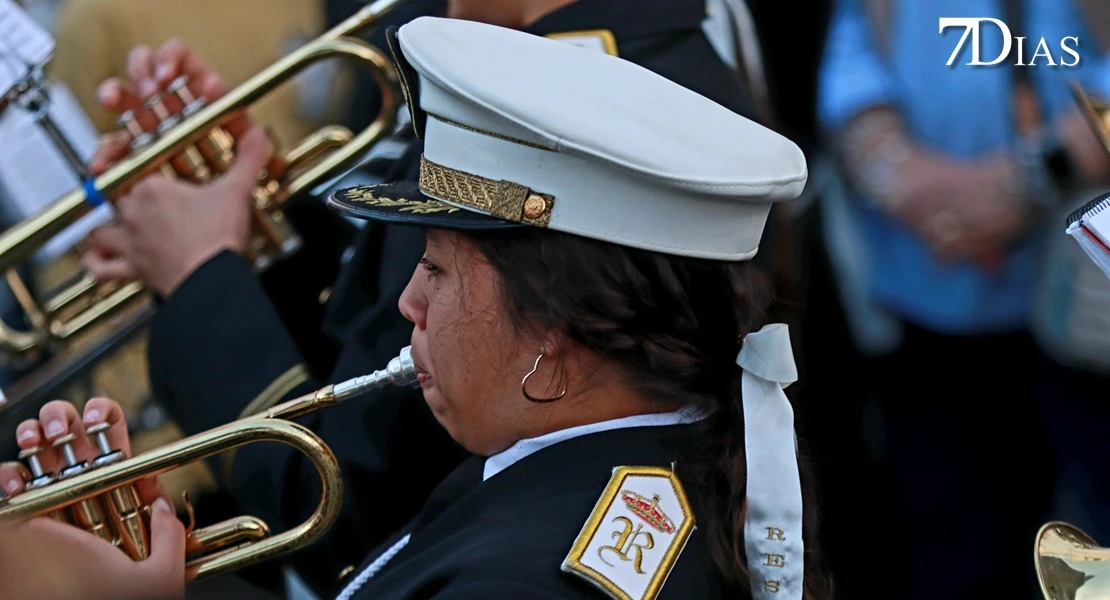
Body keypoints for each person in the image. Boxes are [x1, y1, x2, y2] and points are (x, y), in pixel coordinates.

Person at [0, 15, 829, 600]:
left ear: (552, 332)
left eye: (434, 267)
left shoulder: (526, 576)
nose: (407, 300)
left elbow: (366, 515)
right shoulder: (572, 468)